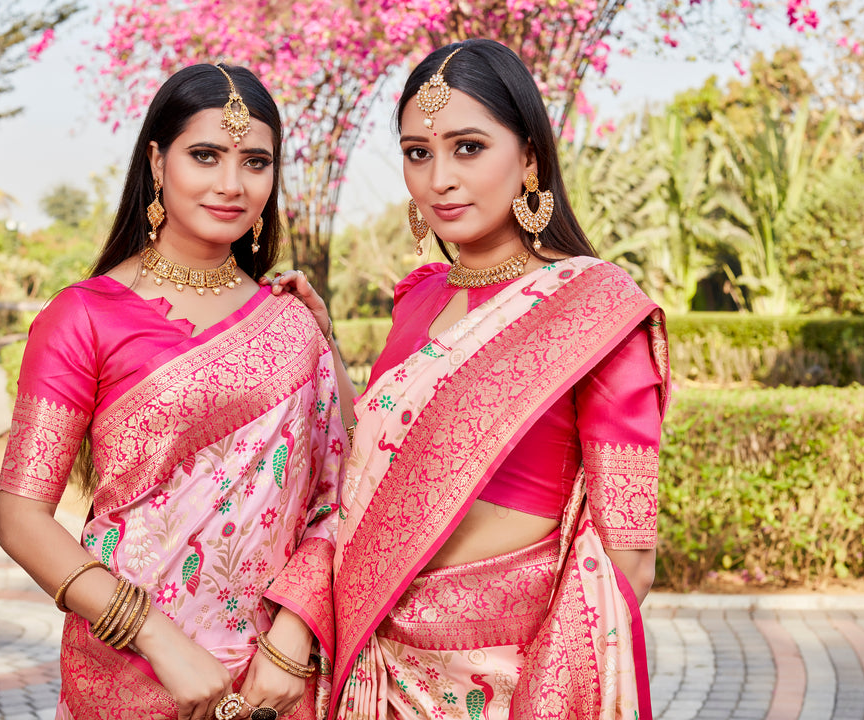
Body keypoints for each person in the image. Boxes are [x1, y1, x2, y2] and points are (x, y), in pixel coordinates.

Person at [270, 39, 669, 719]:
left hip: (515, 679)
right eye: (418, 153)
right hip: (380, 667)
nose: (438, 179)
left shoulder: (594, 310)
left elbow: (629, 561)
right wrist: (325, 344)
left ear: (531, 158)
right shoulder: (418, 297)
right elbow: (374, 467)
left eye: (469, 147)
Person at [0, 63, 346, 720]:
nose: (231, 184)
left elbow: (340, 494)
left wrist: (292, 637)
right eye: (205, 156)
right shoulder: (84, 316)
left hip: (277, 678)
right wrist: (158, 640)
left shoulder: (293, 322)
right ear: (157, 161)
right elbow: (20, 519)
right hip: (131, 669)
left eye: (255, 162)